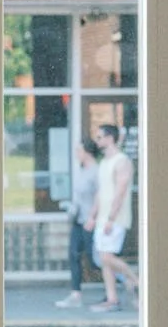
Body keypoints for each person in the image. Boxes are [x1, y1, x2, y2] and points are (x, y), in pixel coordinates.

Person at [93, 121, 137, 309]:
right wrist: (92, 215)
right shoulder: (104, 162)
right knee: (104, 258)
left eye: (99, 137)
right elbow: (101, 191)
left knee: (106, 257)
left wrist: (111, 218)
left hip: (115, 218)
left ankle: (137, 280)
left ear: (110, 138)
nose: (97, 141)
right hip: (103, 217)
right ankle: (112, 298)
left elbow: (120, 191)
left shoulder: (122, 161)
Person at [55, 141, 100, 308]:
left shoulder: (96, 171)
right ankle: (75, 295)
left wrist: (93, 217)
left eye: (79, 150)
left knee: (96, 259)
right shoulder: (82, 171)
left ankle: (130, 281)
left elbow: (100, 196)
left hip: (91, 221)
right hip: (79, 220)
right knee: (73, 255)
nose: (76, 153)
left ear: (88, 152)